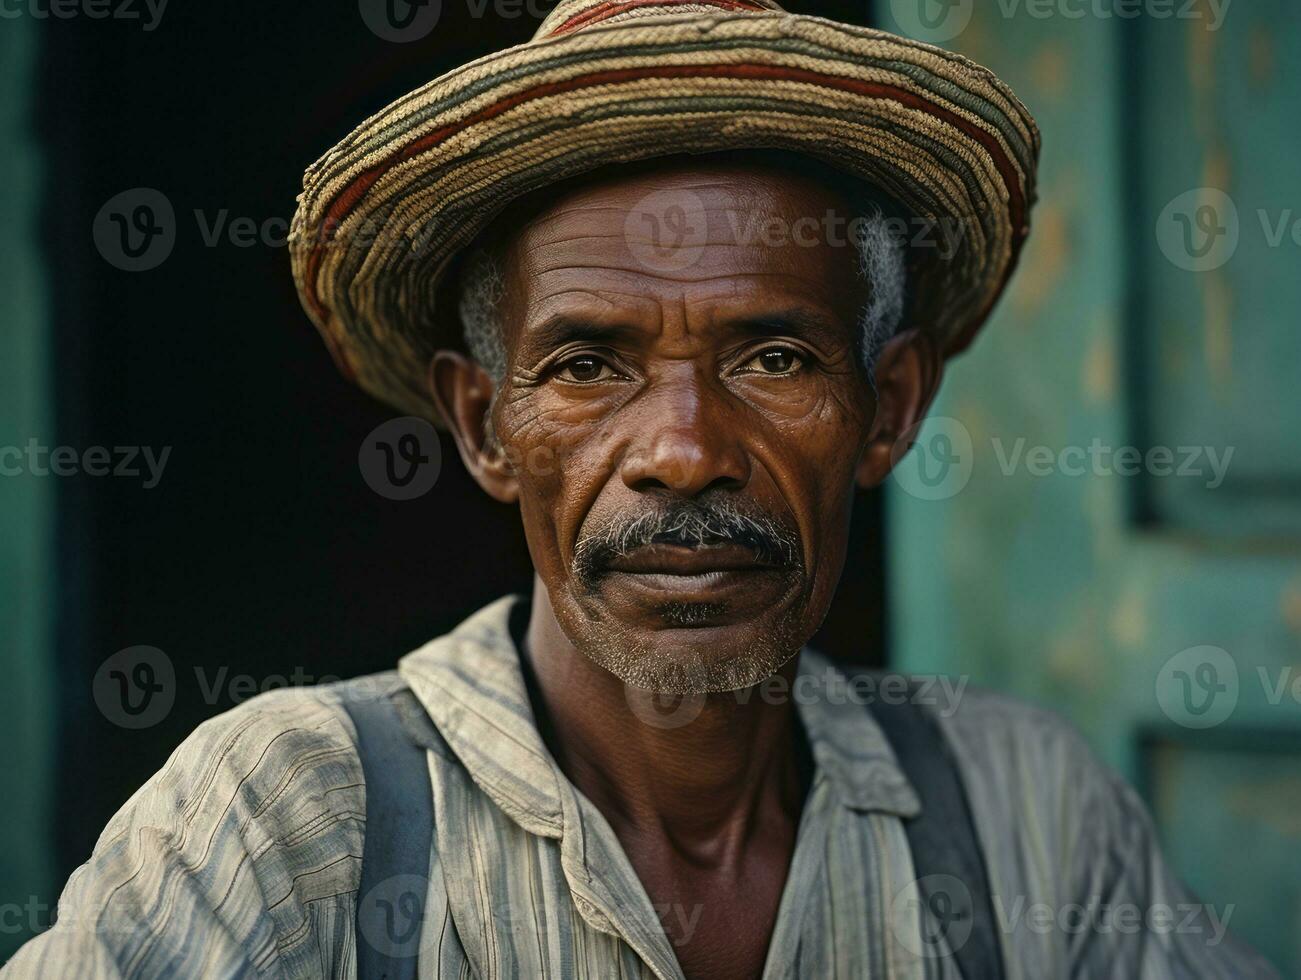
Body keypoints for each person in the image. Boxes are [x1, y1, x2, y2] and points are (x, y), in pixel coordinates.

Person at [4, 0, 1279, 976]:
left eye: (773, 356)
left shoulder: (1026, 817)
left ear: (887, 408)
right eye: (586, 362)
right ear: (481, 423)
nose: (682, 446)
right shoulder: (289, 819)